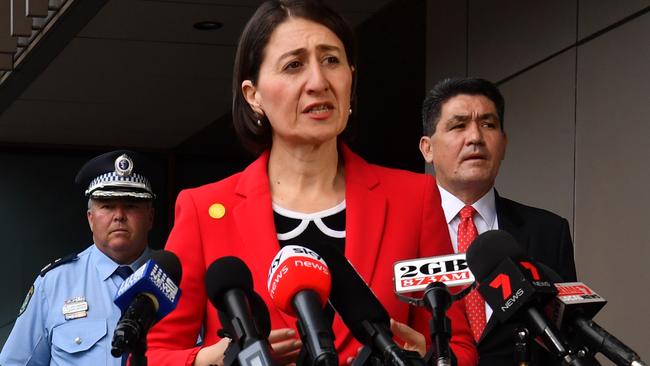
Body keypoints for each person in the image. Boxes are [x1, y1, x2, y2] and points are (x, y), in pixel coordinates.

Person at [145, 1, 478, 365]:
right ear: (252, 95)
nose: (318, 82)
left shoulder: (413, 198)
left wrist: (430, 357)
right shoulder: (203, 210)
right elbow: (151, 354)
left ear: (351, 77)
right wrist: (223, 357)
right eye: (294, 65)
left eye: (332, 60)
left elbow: (459, 347)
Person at [419, 77, 577, 365]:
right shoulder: (402, 231)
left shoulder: (549, 232)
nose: (475, 137)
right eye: (459, 125)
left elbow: (566, 339)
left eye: (488, 125)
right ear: (427, 148)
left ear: (503, 144)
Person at [0, 150, 156, 366]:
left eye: (131, 205)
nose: (119, 215)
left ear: (150, 217)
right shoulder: (55, 283)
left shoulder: (178, 279)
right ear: (90, 219)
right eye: (108, 206)